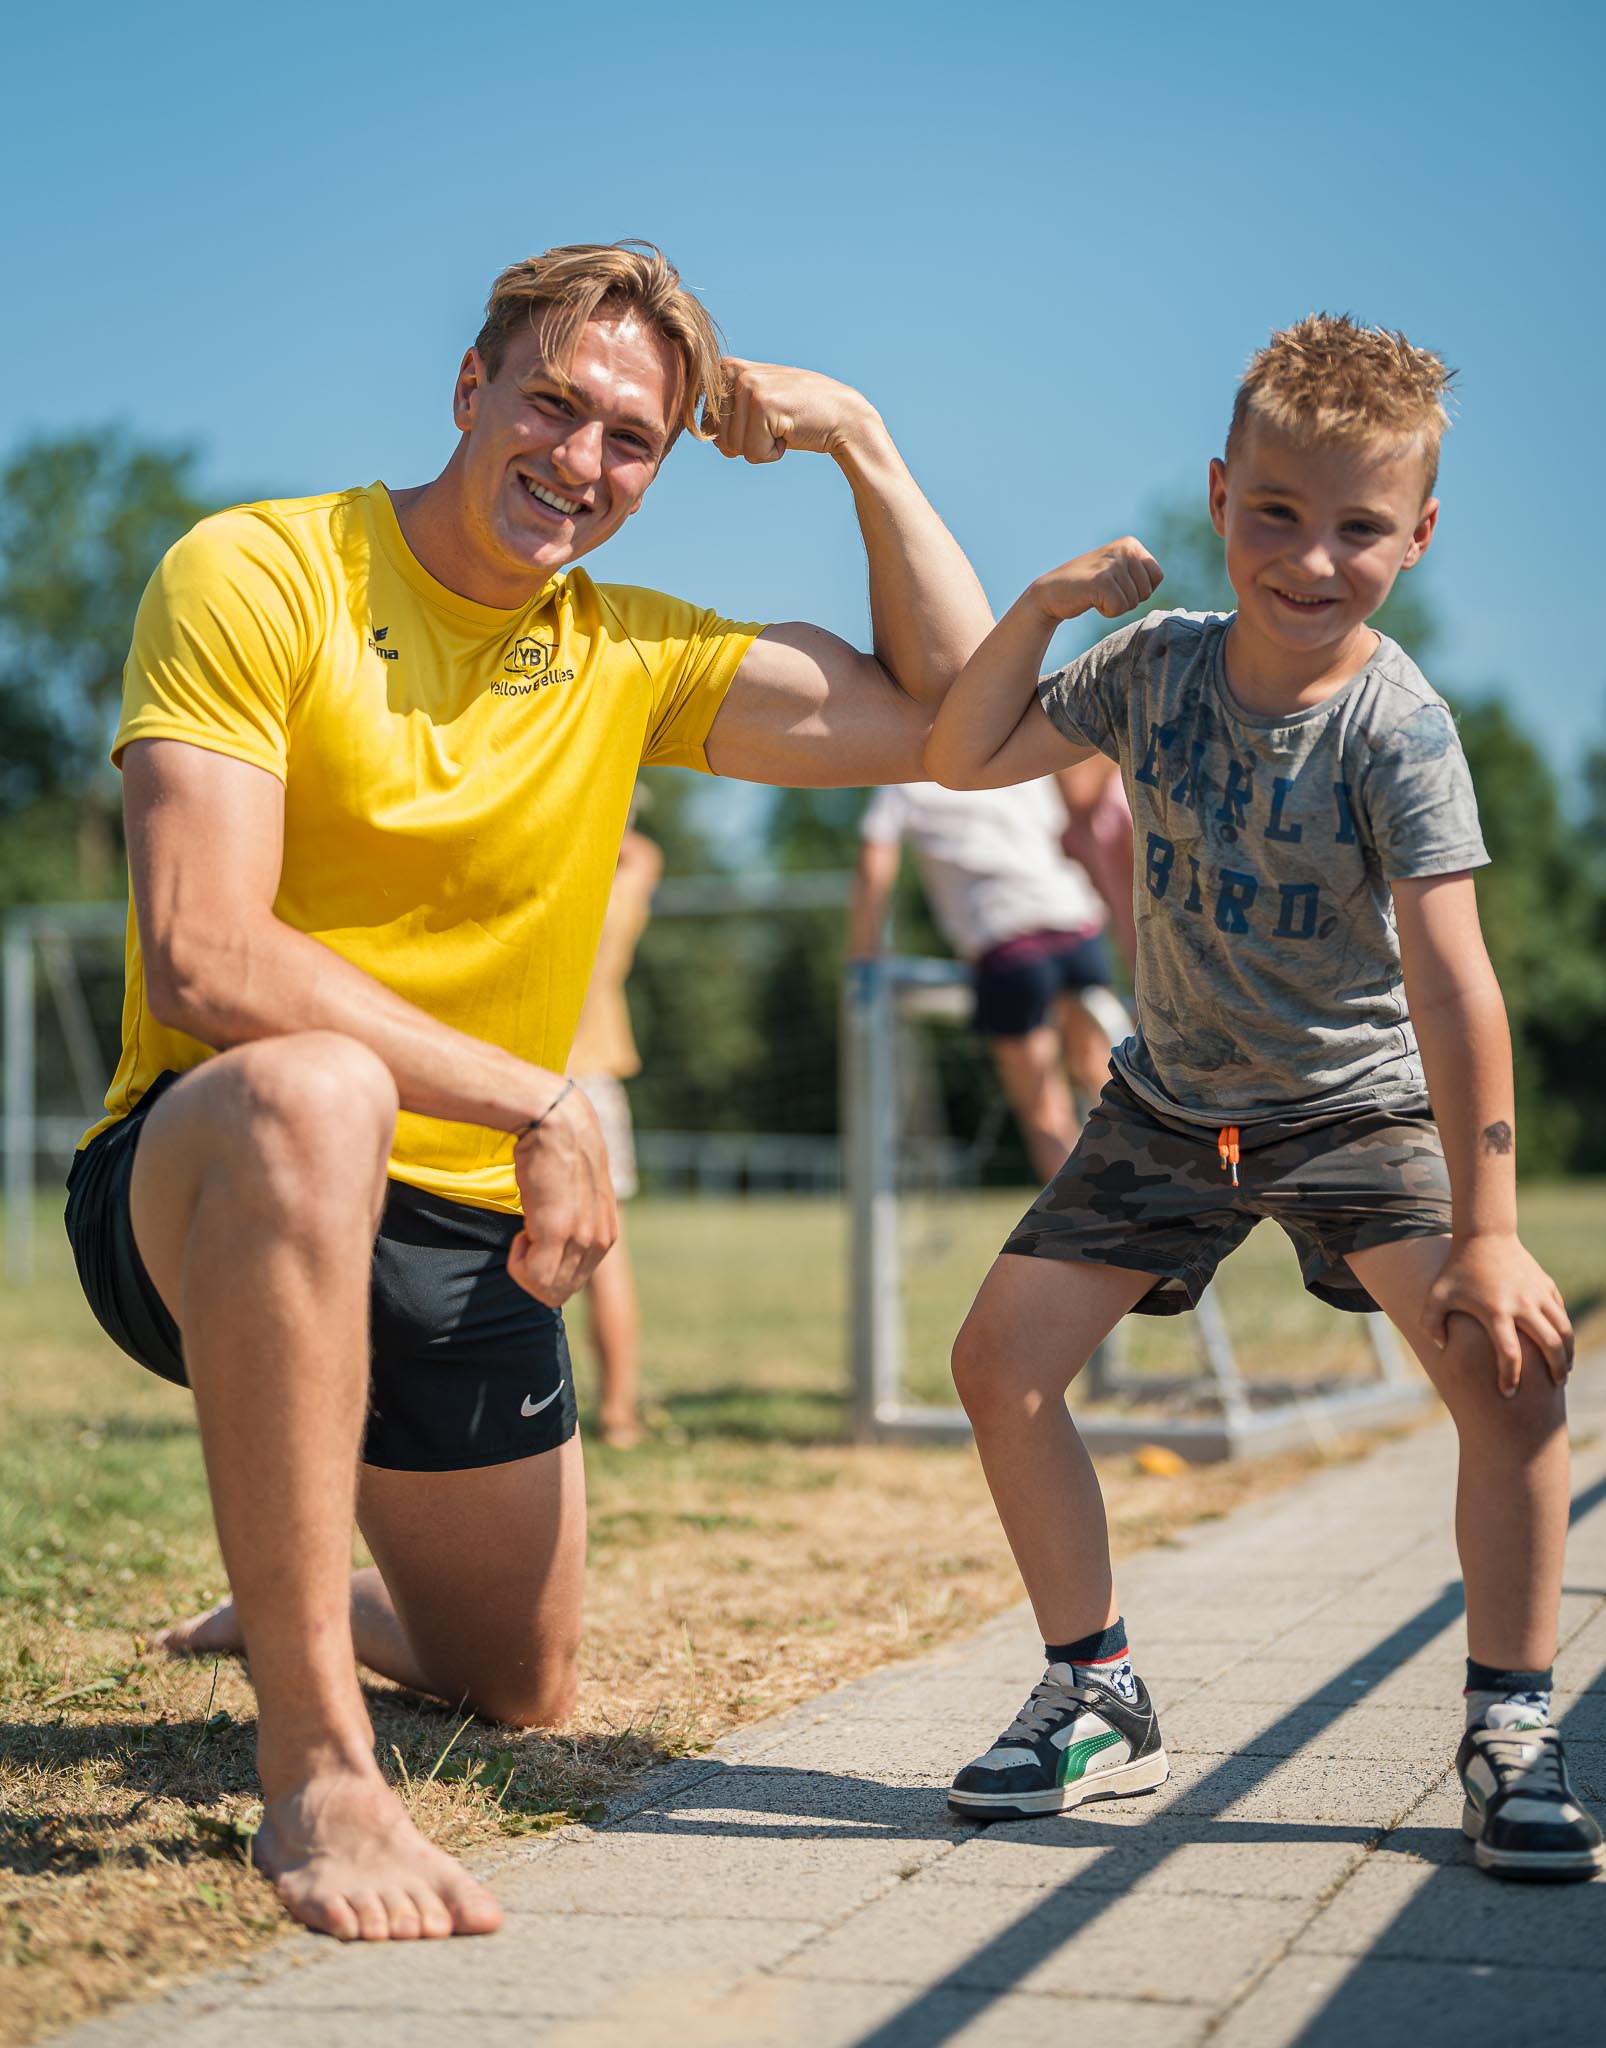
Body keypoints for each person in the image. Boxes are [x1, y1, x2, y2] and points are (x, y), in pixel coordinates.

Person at [62, 241, 992, 1942]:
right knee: (317, 1092)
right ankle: (318, 1756)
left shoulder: (630, 654)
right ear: (469, 387)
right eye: (552, 401)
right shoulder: (256, 570)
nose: (581, 458)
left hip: (457, 1228)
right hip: (206, 1176)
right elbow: (203, 948)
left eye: (631, 437)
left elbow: (960, 727)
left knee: (524, 1680)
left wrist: (860, 437)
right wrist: (535, 1095)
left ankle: (309, 1602)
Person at [923, 315, 1602, 1882]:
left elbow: (1452, 985)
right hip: (1170, 1104)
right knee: (997, 1363)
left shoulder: (1395, 729)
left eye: (1357, 528)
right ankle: (1093, 1688)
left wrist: (1488, 1229)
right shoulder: (1150, 672)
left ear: (1415, 536)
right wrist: (1039, 604)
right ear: (1218, 497)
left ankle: (1508, 1724)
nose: (1310, 559)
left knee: (1506, 1381)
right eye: (1274, 516)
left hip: (1350, 1108)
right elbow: (963, 753)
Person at [848, 771, 1131, 1180]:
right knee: (1104, 1088)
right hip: (1078, 929)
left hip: (1010, 942)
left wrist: (864, 953)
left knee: (1045, 1113)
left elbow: (873, 865)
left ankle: (1088, 1229)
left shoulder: (903, 779)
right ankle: (1142, 1202)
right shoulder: (1008, 755)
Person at [566, 820, 662, 1447]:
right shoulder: (618, 892)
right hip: (592, 1079)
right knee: (608, 1255)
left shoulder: (549, 878)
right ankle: (619, 1412)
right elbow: (643, 852)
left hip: (506, 1068)